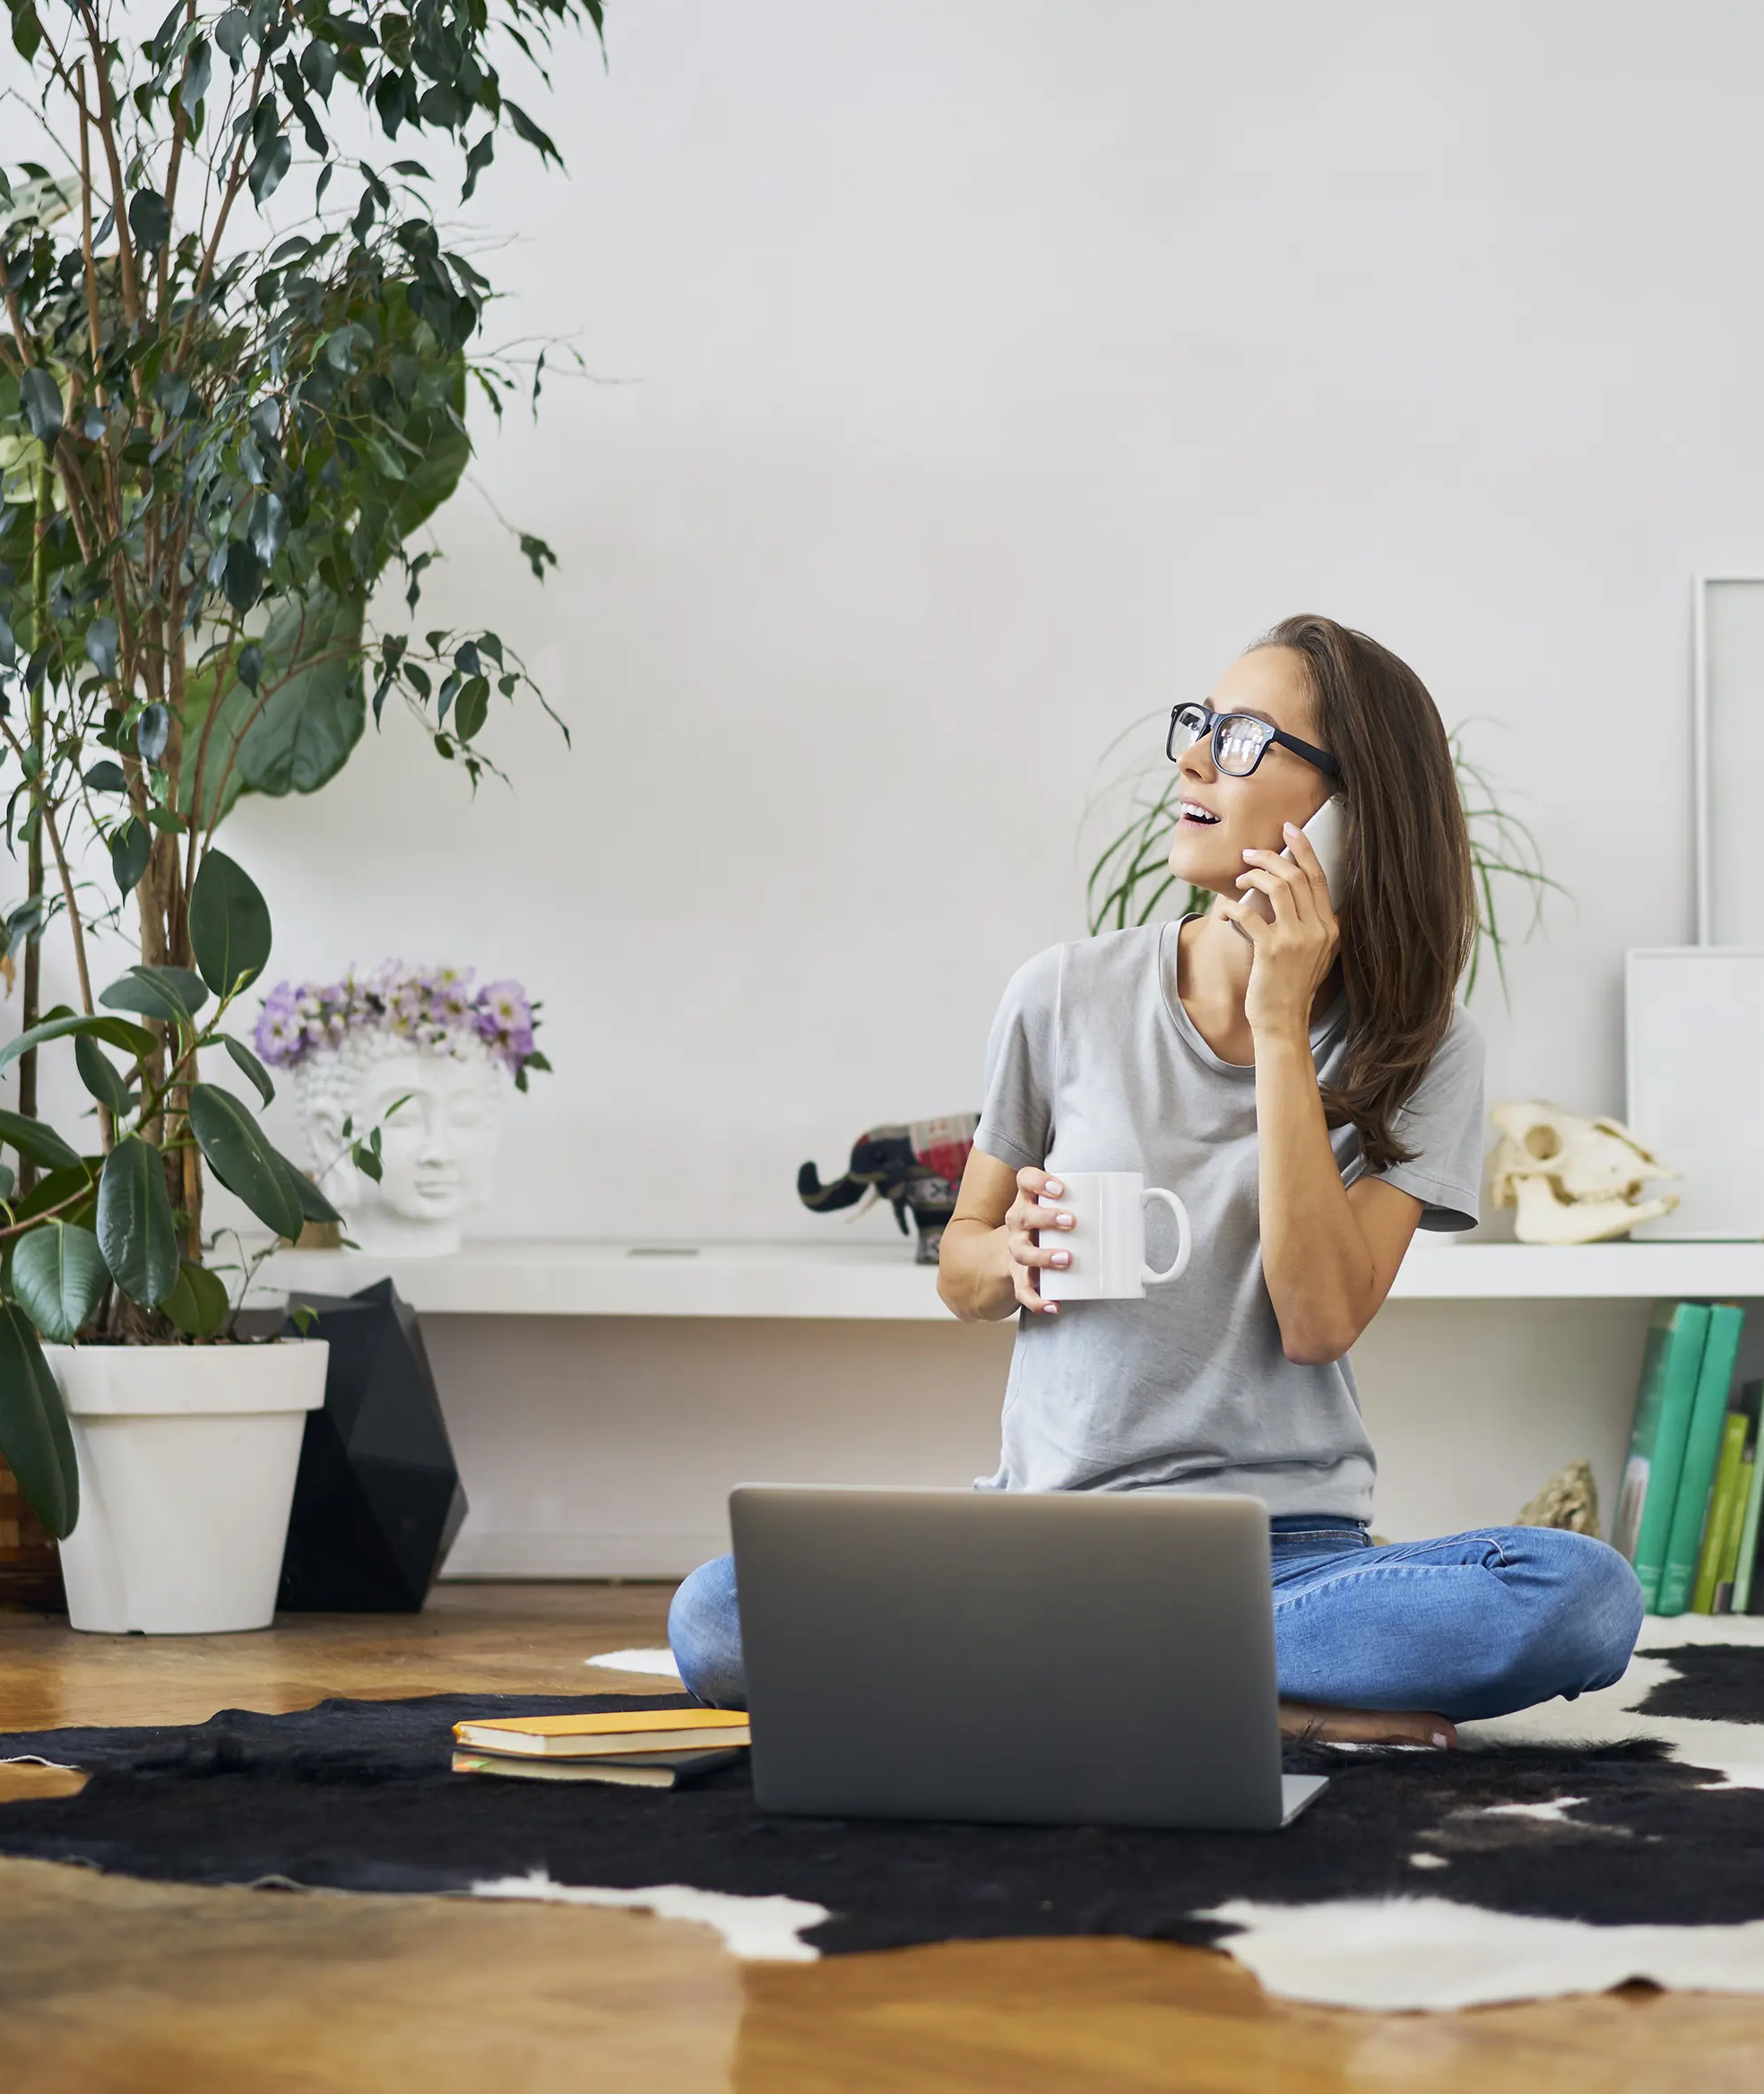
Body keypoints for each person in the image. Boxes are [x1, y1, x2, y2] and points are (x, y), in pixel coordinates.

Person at [670, 615, 1642, 1742]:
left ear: (1350, 810)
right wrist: (1009, 1255)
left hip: (1284, 1562)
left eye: (1242, 738)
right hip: (1047, 1542)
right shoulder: (1063, 992)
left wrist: (1282, 1025)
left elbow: (1320, 1319)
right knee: (718, 1614)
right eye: (1201, 725)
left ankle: (1086, 1679)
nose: (1190, 758)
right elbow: (960, 1263)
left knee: (1580, 1596)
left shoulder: (1424, 1047)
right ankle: (1256, 1702)